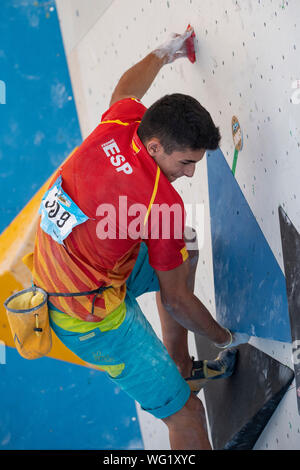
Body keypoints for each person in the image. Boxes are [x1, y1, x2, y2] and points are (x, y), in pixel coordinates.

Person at [32, 27, 249, 450]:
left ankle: (180, 364)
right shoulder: (159, 204)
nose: (190, 173)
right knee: (187, 414)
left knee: (184, 245)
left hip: (74, 266)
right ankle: (180, 387)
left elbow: (125, 89)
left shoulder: (121, 124)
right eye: (186, 162)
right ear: (154, 146)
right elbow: (177, 301)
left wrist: (165, 52)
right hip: (90, 319)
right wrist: (227, 337)